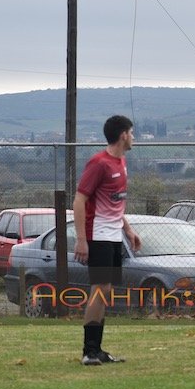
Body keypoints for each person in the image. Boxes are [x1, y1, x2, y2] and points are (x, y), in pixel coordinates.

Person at [73, 114, 142, 365]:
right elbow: (79, 200)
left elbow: (116, 204)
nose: (134, 137)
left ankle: (97, 350)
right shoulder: (99, 163)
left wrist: (128, 229)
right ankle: (88, 351)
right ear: (123, 135)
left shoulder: (121, 162)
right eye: (132, 133)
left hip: (114, 236)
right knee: (99, 290)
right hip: (98, 234)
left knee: (106, 291)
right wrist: (82, 239)